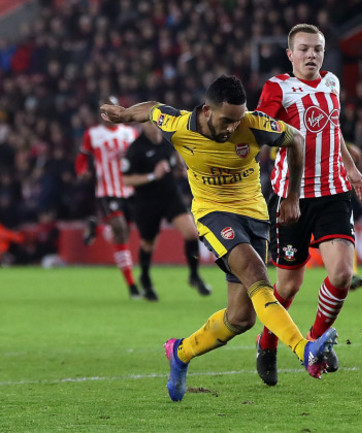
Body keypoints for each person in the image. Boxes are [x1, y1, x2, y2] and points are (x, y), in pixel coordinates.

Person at [99, 75, 338, 402]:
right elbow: (152, 109)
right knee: (258, 276)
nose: (232, 126)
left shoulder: (253, 124)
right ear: (207, 111)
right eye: (227, 119)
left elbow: (296, 139)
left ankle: (181, 352)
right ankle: (305, 350)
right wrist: (126, 114)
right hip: (213, 214)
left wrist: (293, 197)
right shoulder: (180, 125)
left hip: (254, 214)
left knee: (241, 318)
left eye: (238, 118)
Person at [254, 23, 362, 386]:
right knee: (288, 286)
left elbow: (333, 128)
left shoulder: (332, 83)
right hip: (291, 198)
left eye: (317, 49)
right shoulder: (279, 88)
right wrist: (261, 143)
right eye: (304, 49)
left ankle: (317, 339)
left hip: (333, 192)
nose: (312, 55)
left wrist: (351, 169)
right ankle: (267, 342)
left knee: (341, 274)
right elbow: (261, 125)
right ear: (290, 54)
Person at [121, 122, 211, 301]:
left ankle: (194, 275)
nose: (154, 126)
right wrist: (153, 175)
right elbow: (125, 180)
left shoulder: (168, 141)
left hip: (171, 196)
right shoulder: (136, 149)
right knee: (148, 244)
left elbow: (177, 161)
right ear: (143, 126)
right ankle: (145, 279)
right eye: (150, 123)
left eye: (156, 122)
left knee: (192, 234)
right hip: (147, 201)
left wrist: (183, 167)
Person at [75, 96, 143, 300]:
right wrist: (82, 171)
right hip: (107, 189)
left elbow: (138, 156)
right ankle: (132, 286)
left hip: (130, 190)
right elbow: (82, 157)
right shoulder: (93, 134)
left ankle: (97, 227)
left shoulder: (130, 133)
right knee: (120, 230)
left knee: (124, 231)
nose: (109, 115)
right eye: (105, 111)